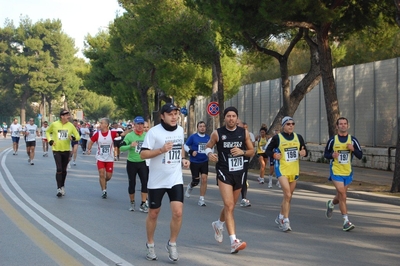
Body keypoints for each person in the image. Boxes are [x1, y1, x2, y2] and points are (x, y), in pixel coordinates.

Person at [140, 103, 190, 262]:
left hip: (175, 178)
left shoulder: (181, 130)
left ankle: (172, 243)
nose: (174, 117)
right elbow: (143, 154)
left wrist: (183, 158)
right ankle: (150, 244)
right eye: (170, 114)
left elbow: (180, 145)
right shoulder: (154, 132)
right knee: (154, 213)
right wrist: (161, 150)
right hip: (157, 180)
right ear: (162, 116)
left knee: (178, 212)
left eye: (176, 113)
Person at [206, 106, 254, 254]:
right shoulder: (218, 133)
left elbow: (252, 151)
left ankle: (219, 223)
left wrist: (243, 152)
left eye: (234, 116)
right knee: (229, 205)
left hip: (239, 173)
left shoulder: (243, 133)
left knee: (230, 206)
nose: (231, 118)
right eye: (228, 116)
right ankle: (234, 241)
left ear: (237, 118)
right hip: (224, 171)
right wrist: (210, 154)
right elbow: (208, 147)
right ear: (224, 118)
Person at [265, 116, 307, 232]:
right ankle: (286, 221)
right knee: (287, 195)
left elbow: (304, 150)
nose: (291, 126)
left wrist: (304, 152)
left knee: (288, 197)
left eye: (292, 124)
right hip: (281, 169)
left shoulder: (298, 137)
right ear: (283, 126)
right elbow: (267, 150)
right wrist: (274, 155)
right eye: (288, 124)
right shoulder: (277, 138)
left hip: (294, 170)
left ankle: (280, 216)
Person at [324, 117, 363, 231]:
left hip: (347, 171)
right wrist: (331, 155)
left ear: (348, 125)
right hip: (336, 170)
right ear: (337, 126)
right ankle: (346, 221)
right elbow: (325, 154)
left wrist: (353, 149)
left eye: (345, 124)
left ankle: (331, 203)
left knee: (341, 195)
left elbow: (360, 155)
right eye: (340, 124)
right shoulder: (333, 140)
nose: (343, 125)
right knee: (343, 195)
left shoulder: (353, 140)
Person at [46, 110, 81, 197]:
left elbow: (78, 136)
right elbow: (47, 132)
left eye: (69, 115)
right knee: (59, 169)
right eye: (67, 115)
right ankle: (58, 189)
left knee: (64, 170)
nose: (68, 117)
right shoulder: (54, 124)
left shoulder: (71, 126)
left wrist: (73, 137)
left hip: (66, 150)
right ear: (62, 116)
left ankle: (62, 186)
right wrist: (50, 140)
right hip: (56, 149)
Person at [119, 116, 149, 212]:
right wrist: (130, 145)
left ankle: (143, 203)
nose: (140, 126)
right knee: (132, 183)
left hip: (143, 162)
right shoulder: (130, 136)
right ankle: (132, 202)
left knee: (145, 182)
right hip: (132, 162)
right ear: (134, 125)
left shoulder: (146, 135)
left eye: (141, 124)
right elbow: (121, 147)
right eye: (138, 124)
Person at [87, 118, 119, 198]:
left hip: (109, 158)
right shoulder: (97, 134)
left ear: (106, 125)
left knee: (108, 176)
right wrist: (89, 149)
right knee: (101, 174)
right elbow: (91, 142)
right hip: (100, 157)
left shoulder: (112, 133)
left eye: (101, 123)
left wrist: (132, 130)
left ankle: (104, 182)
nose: (100, 125)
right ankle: (104, 191)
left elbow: (122, 134)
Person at [184, 121, 210, 206]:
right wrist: (190, 151)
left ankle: (201, 199)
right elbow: (185, 145)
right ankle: (190, 186)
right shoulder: (193, 137)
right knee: (196, 181)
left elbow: (211, 147)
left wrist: (210, 154)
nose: (202, 128)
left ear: (205, 128)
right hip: (195, 161)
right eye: (200, 126)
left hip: (204, 161)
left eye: (203, 126)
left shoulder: (208, 137)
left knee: (204, 179)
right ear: (197, 128)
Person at [236, 118, 253, 207]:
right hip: (231, 162)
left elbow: (251, 149)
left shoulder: (246, 135)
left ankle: (244, 198)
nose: (236, 125)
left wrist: (244, 153)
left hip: (244, 159)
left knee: (243, 178)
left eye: (238, 124)